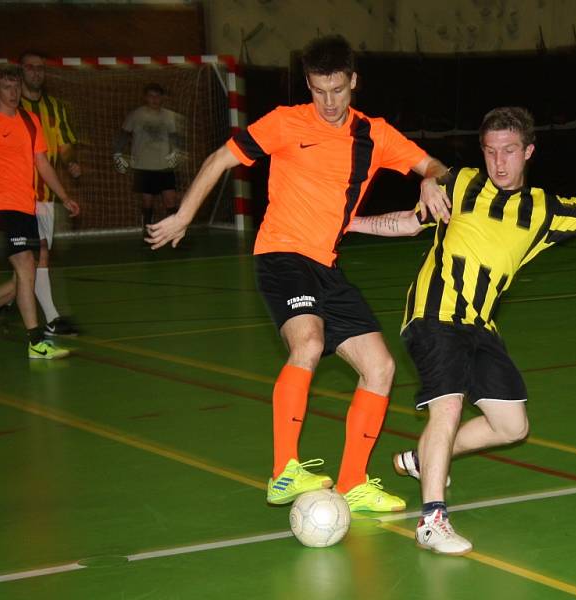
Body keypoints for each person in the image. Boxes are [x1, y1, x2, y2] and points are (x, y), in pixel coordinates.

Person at [348, 106, 576, 553]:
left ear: (528, 152)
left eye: (508, 151)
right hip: (433, 315)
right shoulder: (461, 183)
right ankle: (431, 520)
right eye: (490, 151)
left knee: (511, 426)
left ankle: (420, 459)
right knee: (448, 407)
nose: (499, 162)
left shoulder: (543, 209)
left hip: (480, 326)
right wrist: (349, 223)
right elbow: (409, 222)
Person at [147, 35, 452, 512]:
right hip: (282, 255)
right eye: (318, 91)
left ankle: (353, 481)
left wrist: (431, 176)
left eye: (337, 90)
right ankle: (283, 472)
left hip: (328, 265)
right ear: (307, 86)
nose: (329, 103)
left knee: (381, 367)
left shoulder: (375, 134)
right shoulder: (286, 123)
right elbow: (219, 159)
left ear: (354, 82)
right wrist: (185, 214)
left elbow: (431, 163)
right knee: (307, 341)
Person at [0, 63, 80, 360]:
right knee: (26, 267)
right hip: (2, 206)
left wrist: (64, 196)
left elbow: (43, 163)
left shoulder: (30, 120)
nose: (13, 93)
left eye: (16, 87)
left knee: (26, 277)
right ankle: (36, 343)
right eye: (7, 87)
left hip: (28, 206)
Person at [19, 50, 82, 336]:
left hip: (46, 196)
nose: (36, 73)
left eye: (40, 68)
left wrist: (71, 163)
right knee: (39, 254)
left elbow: (65, 143)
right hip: (18, 195)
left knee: (31, 261)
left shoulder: (55, 108)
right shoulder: (12, 108)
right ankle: (52, 318)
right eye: (30, 68)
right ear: (21, 71)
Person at [113, 83, 182, 239]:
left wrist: (177, 151)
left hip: (164, 166)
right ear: (145, 97)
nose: (154, 99)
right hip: (143, 166)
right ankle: (147, 233)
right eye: (151, 96)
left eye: (158, 96)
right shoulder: (136, 115)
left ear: (162, 98)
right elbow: (124, 134)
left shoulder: (169, 116)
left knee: (170, 200)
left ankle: (175, 233)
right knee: (147, 202)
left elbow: (175, 137)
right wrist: (117, 153)